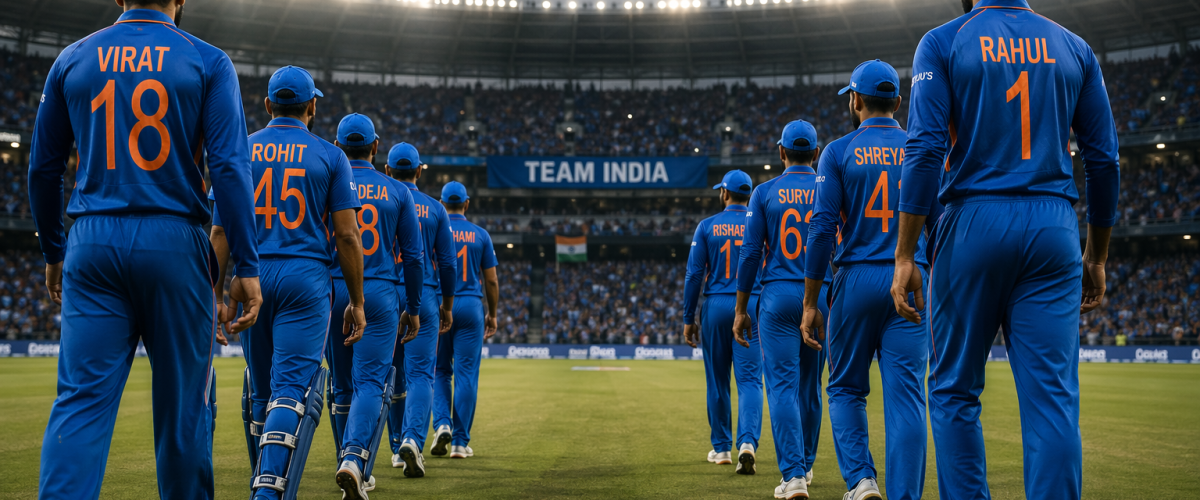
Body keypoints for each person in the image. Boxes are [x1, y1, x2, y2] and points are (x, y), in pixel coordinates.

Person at [28, 0, 261, 497]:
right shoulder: (209, 60)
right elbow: (228, 169)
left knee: (80, 406)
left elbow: (43, 171)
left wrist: (53, 252)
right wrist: (247, 261)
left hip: (91, 241)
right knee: (183, 412)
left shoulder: (71, 58)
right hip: (176, 241)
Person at [893, 1, 1120, 499]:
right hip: (1053, 225)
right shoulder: (1074, 47)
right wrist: (1096, 255)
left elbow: (926, 148)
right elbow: (1103, 158)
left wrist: (906, 254)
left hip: (972, 219)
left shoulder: (942, 41)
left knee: (954, 391)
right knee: (1052, 401)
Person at [209, 65, 366, 500]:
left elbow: (219, 232)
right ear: (313, 106)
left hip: (251, 277)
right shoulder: (331, 157)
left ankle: (263, 476)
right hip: (305, 279)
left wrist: (215, 297)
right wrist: (357, 300)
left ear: (266, 105)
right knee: (291, 391)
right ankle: (269, 490)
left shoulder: (239, 149)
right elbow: (348, 235)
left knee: (260, 392)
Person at [802, 59, 930, 500]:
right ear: (898, 101)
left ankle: (861, 481)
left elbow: (820, 230)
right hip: (912, 277)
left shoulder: (836, 152)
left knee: (844, 389)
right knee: (908, 397)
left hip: (855, 279)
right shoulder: (923, 146)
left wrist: (810, 301)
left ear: (854, 100)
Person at [325, 113, 425, 499]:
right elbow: (414, 258)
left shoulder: (325, 182)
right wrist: (413, 307)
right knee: (370, 382)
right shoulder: (398, 193)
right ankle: (355, 459)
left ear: (337, 147)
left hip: (331, 289)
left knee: (340, 385)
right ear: (375, 147)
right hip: (380, 293)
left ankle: (346, 462)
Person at [733, 120, 823, 500]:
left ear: (781, 153)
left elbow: (751, 252)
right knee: (811, 388)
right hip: (820, 295)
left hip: (777, 295)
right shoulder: (829, 186)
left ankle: (794, 475)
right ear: (816, 154)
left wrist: (741, 308)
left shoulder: (764, 192)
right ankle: (807, 462)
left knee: (782, 387)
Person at [681, 170, 764, 474]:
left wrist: (688, 318)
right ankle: (748, 443)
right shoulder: (760, 221)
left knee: (718, 381)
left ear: (725, 194)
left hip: (715, 305)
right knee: (751, 381)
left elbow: (693, 276)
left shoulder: (707, 226)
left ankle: (721, 449)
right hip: (753, 303)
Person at [382, 143, 457, 478]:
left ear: (387, 171)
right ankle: (412, 438)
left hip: (382, 291)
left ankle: (395, 443)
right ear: (419, 170)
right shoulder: (436, 209)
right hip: (423, 296)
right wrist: (447, 305)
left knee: (384, 374)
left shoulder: (380, 199)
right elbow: (448, 264)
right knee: (420, 375)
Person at [430, 181, 500, 459]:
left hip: (439, 303)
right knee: (466, 375)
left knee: (438, 371)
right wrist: (492, 314)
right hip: (471, 306)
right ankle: (459, 443)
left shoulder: (435, 229)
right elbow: (491, 281)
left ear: (442, 203)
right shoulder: (481, 235)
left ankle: (442, 424)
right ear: (467, 204)